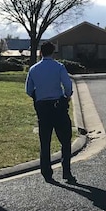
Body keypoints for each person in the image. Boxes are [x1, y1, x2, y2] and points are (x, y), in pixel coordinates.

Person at [25, 41, 75, 183]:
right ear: (53, 52)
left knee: (45, 141)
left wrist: (38, 96)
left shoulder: (34, 69)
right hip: (58, 107)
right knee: (65, 140)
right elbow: (67, 85)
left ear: (41, 52)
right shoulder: (59, 67)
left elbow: (28, 90)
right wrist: (67, 95)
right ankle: (66, 171)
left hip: (43, 108)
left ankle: (47, 172)